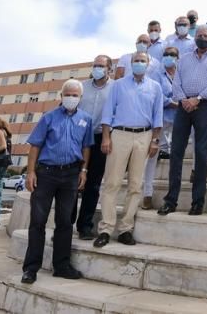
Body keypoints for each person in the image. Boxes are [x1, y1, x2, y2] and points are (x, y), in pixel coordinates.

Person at [20, 79, 93, 285]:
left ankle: (61, 266)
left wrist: (84, 171)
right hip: (46, 174)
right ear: (61, 96)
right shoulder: (48, 117)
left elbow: (87, 146)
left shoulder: (86, 119)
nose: (71, 98)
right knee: (38, 221)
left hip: (71, 174)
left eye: (75, 95)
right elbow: (35, 146)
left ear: (80, 97)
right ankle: (31, 268)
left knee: (65, 222)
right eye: (67, 94)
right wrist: (31, 172)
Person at [94, 52, 163, 247]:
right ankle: (106, 228)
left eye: (143, 61)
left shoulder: (155, 87)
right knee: (112, 183)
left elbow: (158, 115)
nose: (139, 63)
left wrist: (155, 141)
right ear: (131, 64)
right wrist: (106, 137)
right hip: (120, 135)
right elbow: (108, 112)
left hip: (144, 136)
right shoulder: (119, 85)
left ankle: (125, 229)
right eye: (136, 61)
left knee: (135, 184)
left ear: (148, 64)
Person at [159, 25, 207, 216]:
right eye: (200, 35)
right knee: (177, 153)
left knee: (201, 153)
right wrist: (184, 100)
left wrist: (199, 99)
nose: (202, 37)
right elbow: (176, 82)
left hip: (204, 106)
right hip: (183, 106)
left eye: (206, 35)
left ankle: (197, 201)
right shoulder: (185, 58)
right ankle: (170, 200)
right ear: (195, 38)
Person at [73, 54, 114, 239]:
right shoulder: (81, 86)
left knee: (93, 184)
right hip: (77, 138)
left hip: (101, 138)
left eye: (101, 66)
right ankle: (66, 224)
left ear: (109, 69)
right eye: (95, 65)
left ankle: (85, 226)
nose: (97, 68)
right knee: (72, 182)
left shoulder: (115, 88)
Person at [142, 46, 180, 209]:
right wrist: (171, 102)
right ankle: (147, 194)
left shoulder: (182, 73)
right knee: (152, 156)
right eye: (166, 54)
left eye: (172, 55)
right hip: (160, 118)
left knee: (177, 156)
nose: (168, 57)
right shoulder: (156, 74)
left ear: (178, 57)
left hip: (180, 117)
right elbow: (156, 94)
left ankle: (172, 195)